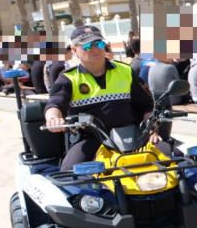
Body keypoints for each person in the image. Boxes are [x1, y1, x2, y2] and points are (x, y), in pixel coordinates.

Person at [44, 26, 169, 171]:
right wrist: (53, 118)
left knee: (174, 158)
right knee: (69, 173)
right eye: (87, 45)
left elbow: (146, 107)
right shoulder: (68, 78)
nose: (95, 49)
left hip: (134, 136)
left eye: (99, 43)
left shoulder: (126, 71)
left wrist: (151, 130)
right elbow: (55, 104)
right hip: (92, 139)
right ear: (73, 50)